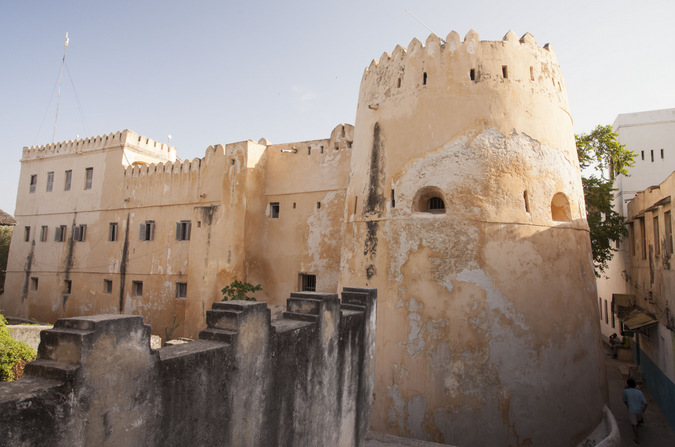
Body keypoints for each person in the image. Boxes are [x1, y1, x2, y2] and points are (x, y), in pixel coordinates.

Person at [622, 378, 647, 444]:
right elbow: (645, 403)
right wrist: (644, 409)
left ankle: (637, 438)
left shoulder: (626, 391)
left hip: (632, 410)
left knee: (634, 424)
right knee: (638, 420)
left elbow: (624, 400)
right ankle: (637, 426)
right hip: (639, 410)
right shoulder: (640, 392)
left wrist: (628, 405)